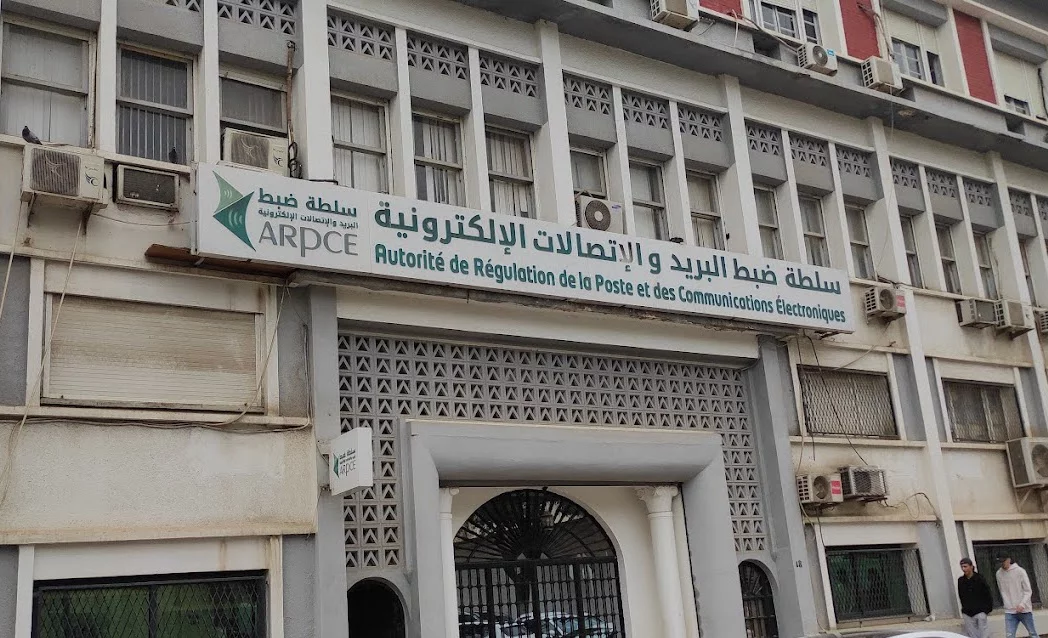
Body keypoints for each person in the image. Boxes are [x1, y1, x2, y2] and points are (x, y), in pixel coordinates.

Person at [997, 554, 1038, 638]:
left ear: (1008, 560)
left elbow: (1028, 590)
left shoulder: (1020, 571)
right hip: (1009, 610)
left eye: (1003, 561)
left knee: (1032, 633)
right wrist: (1007, 604)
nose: (1002, 564)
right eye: (1000, 562)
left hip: (1024, 610)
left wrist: (1022, 604)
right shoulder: (999, 573)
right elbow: (1002, 590)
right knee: (1009, 635)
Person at [957, 557, 992, 638]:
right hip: (967, 613)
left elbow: (987, 594)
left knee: (983, 634)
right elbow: (961, 596)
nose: (963, 569)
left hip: (980, 611)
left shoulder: (980, 579)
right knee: (972, 635)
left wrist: (986, 610)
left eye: (965, 566)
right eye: (962, 567)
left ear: (971, 566)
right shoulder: (961, 580)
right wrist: (964, 609)